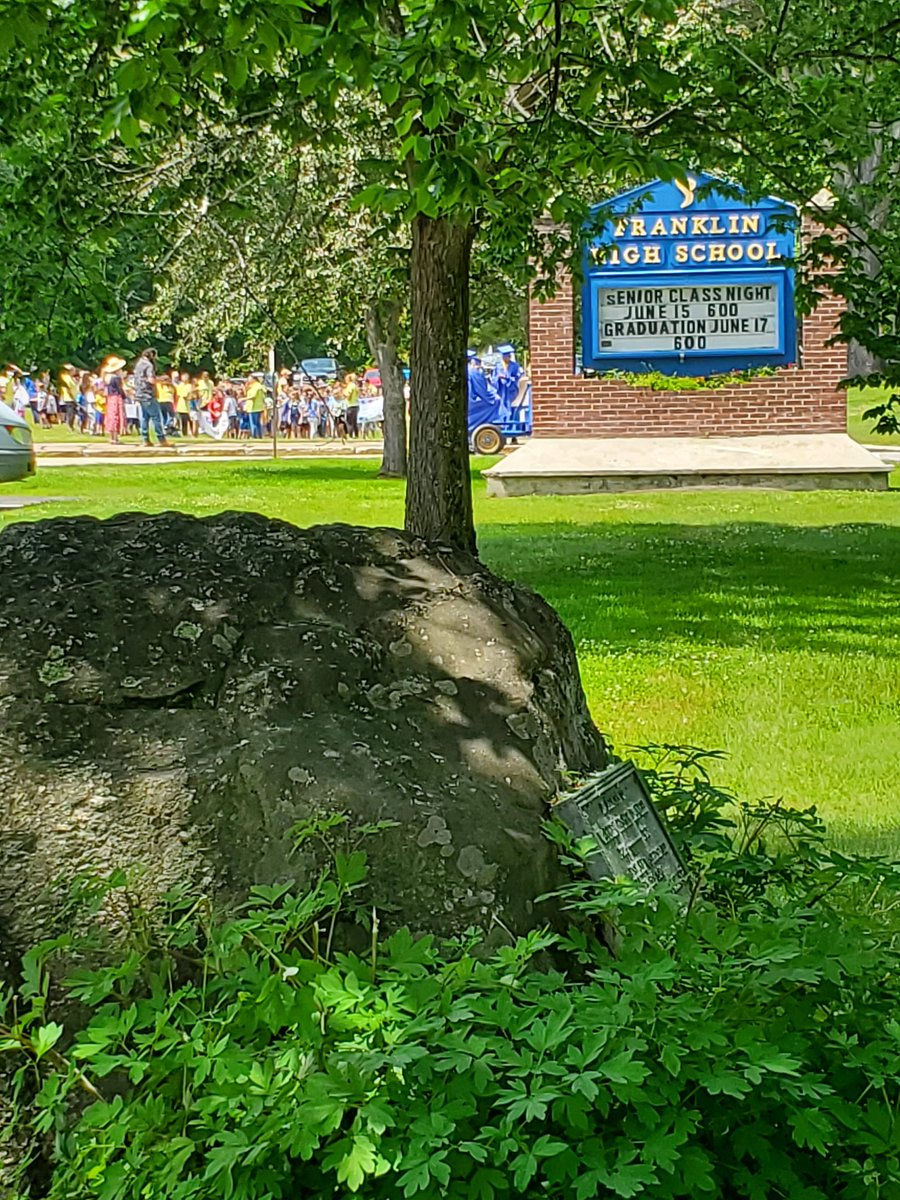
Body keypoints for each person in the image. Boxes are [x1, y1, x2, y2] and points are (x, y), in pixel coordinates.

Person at [133, 347, 170, 447]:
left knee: (145, 417)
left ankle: (145, 439)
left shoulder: (138, 364)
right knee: (156, 417)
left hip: (139, 394)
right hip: (148, 394)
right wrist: (162, 379)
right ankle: (161, 439)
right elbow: (151, 380)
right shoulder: (148, 365)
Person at [492, 344, 524, 418]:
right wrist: (498, 378)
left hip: (511, 389)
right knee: (502, 405)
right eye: (505, 356)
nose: (507, 358)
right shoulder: (498, 366)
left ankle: (511, 419)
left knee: (510, 404)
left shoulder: (515, 365)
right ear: (503, 357)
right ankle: (503, 420)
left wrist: (507, 378)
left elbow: (518, 376)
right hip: (501, 388)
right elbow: (493, 378)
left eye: (509, 356)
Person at [101, 355, 127, 445]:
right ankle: (115, 438)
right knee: (116, 416)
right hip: (117, 397)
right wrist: (124, 396)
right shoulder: (116, 378)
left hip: (110, 397)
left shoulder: (107, 377)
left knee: (111, 416)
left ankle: (112, 437)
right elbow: (120, 389)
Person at [244, 374, 266, 438]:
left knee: (254, 423)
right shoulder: (255, 386)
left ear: (254, 379)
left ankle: (254, 436)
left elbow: (253, 396)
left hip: (254, 407)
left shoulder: (256, 386)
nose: (248, 380)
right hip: (255, 407)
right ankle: (259, 436)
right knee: (257, 423)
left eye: (249, 379)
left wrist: (242, 399)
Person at [344, 372, 360, 438]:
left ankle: (350, 435)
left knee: (349, 422)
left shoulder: (350, 385)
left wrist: (346, 396)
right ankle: (356, 434)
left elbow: (348, 394)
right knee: (354, 422)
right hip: (356, 405)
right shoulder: (355, 385)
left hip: (350, 405)